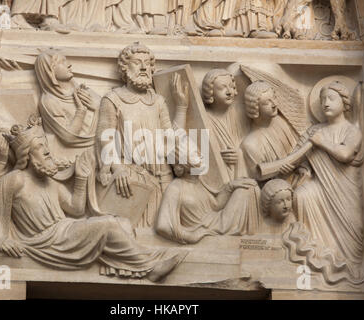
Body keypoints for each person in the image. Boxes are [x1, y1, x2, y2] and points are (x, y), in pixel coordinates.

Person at [0, 117, 186, 281]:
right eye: (41, 148)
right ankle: (150, 267)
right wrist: (0, 238)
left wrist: (82, 176)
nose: (48, 151)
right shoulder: (16, 179)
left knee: (121, 222)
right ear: (28, 156)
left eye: (46, 146)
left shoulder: (52, 184)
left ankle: (141, 262)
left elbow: (76, 209)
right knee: (108, 224)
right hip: (48, 240)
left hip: (65, 231)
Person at [155, 69, 260, 244]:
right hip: (205, 228)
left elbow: (216, 205)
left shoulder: (200, 184)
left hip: (215, 219)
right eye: (195, 156)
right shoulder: (177, 187)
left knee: (249, 189)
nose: (200, 157)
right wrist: (181, 107)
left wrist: (233, 180)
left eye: (198, 154)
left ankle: (244, 241)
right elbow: (175, 141)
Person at [96, 42, 190, 228]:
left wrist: (181, 106)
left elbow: (171, 139)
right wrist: (117, 168)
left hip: (161, 176)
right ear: (124, 67)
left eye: (147, 63)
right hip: (131, 178)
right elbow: (105, 137)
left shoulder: (157, 101)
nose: (144, 67)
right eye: (137, 62)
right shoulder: (113, 99)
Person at [290, 80, 364, 284]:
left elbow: (345, 154)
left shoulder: (352, 130)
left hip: (345, 191)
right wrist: (304, 169)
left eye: (331, 99)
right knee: (302, 194)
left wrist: (321, 142)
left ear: (344, 103)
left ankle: (348, 268)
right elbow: (297, 157)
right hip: (320, 188)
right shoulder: (314, 130)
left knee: (354, 238)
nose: (325, 103)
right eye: (322, 99)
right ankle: (318, 255)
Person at [34, 50, 100, 164]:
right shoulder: (50, 101)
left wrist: (99, 107)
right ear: (50, 71)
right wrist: (80, 111)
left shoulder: (83, 90)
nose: (69, 65)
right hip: (78, 156)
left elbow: (114, 115)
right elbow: (69, 137)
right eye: (62, 62)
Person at [240, 80, 300, 182]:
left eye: (274, 98)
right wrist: (279, 169)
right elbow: (257, 176)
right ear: (255, 108)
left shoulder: (280, 122)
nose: (274, 104)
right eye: (267, 102)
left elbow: (297, 149)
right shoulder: (251, 143)